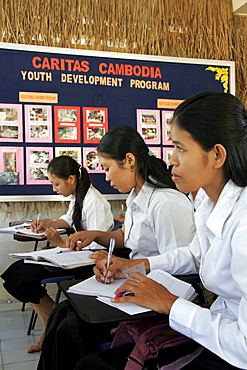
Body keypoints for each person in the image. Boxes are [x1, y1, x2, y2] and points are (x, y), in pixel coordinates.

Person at [76, 91, 247, 370]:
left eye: (181, 148)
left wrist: (170, 304)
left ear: (216, 155)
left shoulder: (243, 226)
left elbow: (244, 346)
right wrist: (136, 266)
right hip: (215, 326)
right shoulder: (205, 200)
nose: (172, 160)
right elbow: (194, 255)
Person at [37, 125, 196, 370]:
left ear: (129, 161)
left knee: (72, 327)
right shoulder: (136, 197)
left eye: (108, 168)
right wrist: (98, 237)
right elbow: (128, 238)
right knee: (60, 313)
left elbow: (181, 265)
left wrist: (130, 268)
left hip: (155, 293)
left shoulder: (166, 202)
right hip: (136, 279)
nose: (107, 177)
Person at [1, 155, 114, 353]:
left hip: (87, 261)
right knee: (14, 273)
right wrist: (48, 224)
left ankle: (54, 322)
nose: (54, 189)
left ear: (71, 179)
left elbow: (97, 246)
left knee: (22, 276)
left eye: (56, 184)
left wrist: (61, 244)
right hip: (73, 254)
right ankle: (52, 320)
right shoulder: (79, 196)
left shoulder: (94, 201)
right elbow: (68, 220)